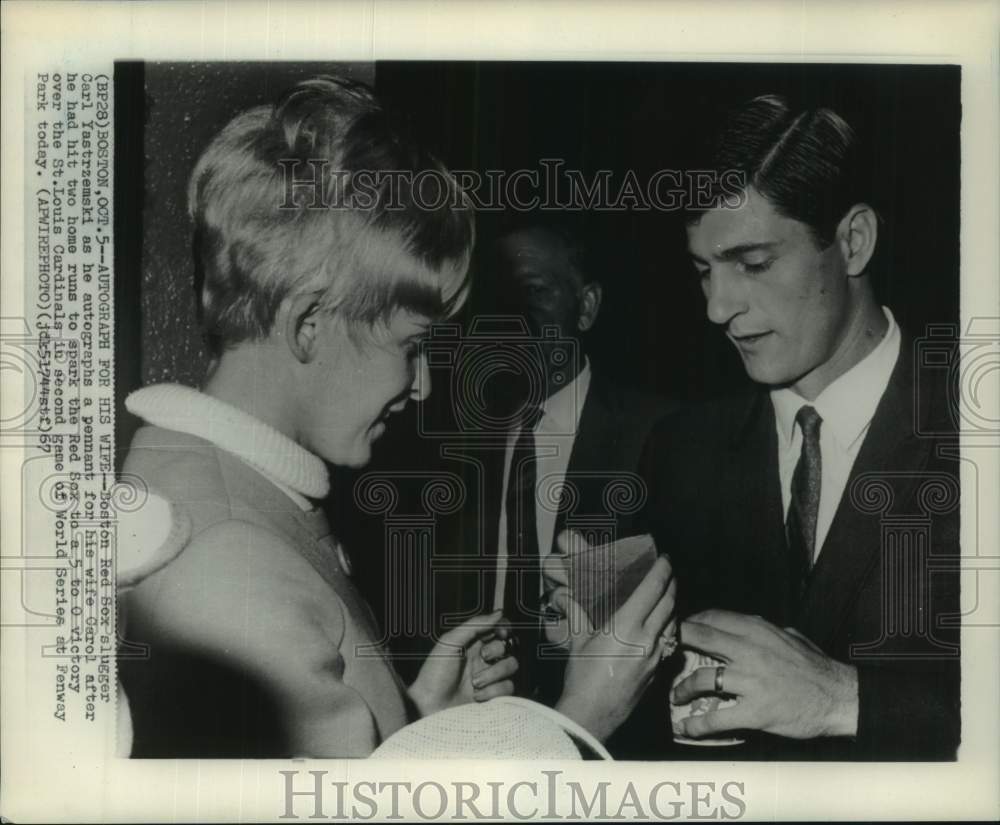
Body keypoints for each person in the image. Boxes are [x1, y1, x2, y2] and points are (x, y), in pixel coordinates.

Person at [118, 76, 676, 758]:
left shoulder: (224, 485)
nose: (422, 385)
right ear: (309, 324)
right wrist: (577, 717)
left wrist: (414, 715)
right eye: (411, 347)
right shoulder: (227, 563)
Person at [640, 95, 960, 760]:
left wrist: (843, 699)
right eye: (704, 270)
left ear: (853, 241)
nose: (717, 307)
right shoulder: (679, 453)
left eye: (752, 264)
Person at [440, 224, 677, 757]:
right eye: (499, 297)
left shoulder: (661, 436)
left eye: (535, 292)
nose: (511, 316)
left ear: (586, 307)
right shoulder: (445, 443)